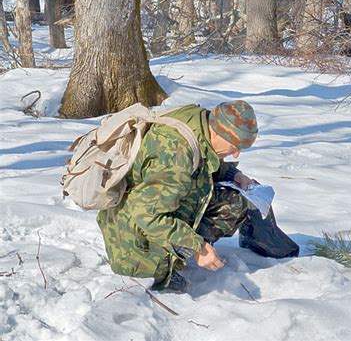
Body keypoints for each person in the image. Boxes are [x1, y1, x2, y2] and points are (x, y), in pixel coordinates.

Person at [96, 100, 258, 292]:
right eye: (234, 146)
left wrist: (233, 175)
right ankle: (170, 263)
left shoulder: (199, 122)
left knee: (234, 203)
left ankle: (184, 252)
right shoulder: (176, 156)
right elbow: (148, 216)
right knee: (170, 278)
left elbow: (205, 158)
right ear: (217, 131)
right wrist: (197, 247)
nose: (236, 154)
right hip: (133, 239)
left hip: (154, 208)